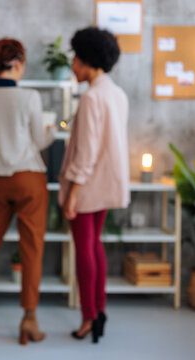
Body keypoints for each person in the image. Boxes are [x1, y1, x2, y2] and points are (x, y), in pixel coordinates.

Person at [0, 38, 55, 344]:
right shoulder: (29, 97)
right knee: (32, 247)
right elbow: (38, 142)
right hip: (29, 178)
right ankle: (29, 318)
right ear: (17, 63)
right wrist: (52, 131)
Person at [58, 26, 130, 343]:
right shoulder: (116, 93)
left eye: (75, 58)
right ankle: (98, 310)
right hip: (106, 183)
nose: (73, 65)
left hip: (86, 186)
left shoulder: (90, 98)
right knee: (95, 247)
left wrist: (73, 193)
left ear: (87, 60)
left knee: (84, 252)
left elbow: (85, 153)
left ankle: (89, 316)